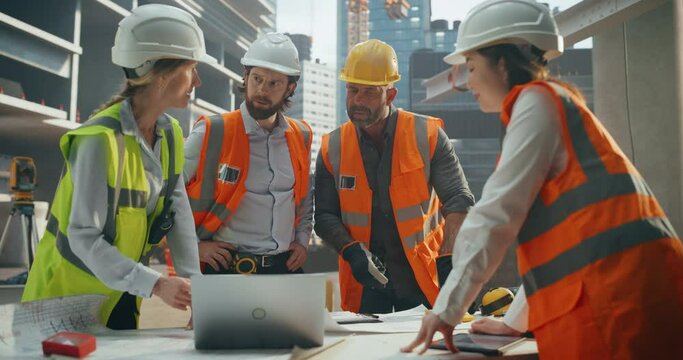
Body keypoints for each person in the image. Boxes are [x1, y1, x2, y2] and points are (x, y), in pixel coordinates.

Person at [402, 0, 683, 358]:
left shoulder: (537, 103)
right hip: (621, 293)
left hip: (620, 299)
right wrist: (515, 322)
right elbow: (559, 254)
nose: (467, 81)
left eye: (471, 67)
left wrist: (447, 309)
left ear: (502, 64)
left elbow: (495, 217)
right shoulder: (550, 108)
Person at [22, 4, 215, 330]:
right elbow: (84, 237)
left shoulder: (169, 136)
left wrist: (199, 292)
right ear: (161, 72)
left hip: (120, 299)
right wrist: (156, 284)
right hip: (64, 305)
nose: (197, 80)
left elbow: (179, 215)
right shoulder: (100, 139)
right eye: (192, 68)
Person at [315, 39, 474, 314]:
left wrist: (448, 257)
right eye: (352, 90)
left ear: (390, 95)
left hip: (424, 280)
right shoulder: (333, 147)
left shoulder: (428, 136)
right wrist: (351, 250)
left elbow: (459, 200)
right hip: (365, 284)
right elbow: (325, 216)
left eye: (369, 93)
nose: (357, 101)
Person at [184, 33, 313, 275]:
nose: (262, 90)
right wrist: (195, 246)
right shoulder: (212, 131)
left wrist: (303, 241)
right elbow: (169, 195)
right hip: (228, 268)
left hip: (284, 268)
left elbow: (305, 200)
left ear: (290, 88)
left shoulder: (301, 135)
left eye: (274, 83)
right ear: (245, 76)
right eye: (257, 79)